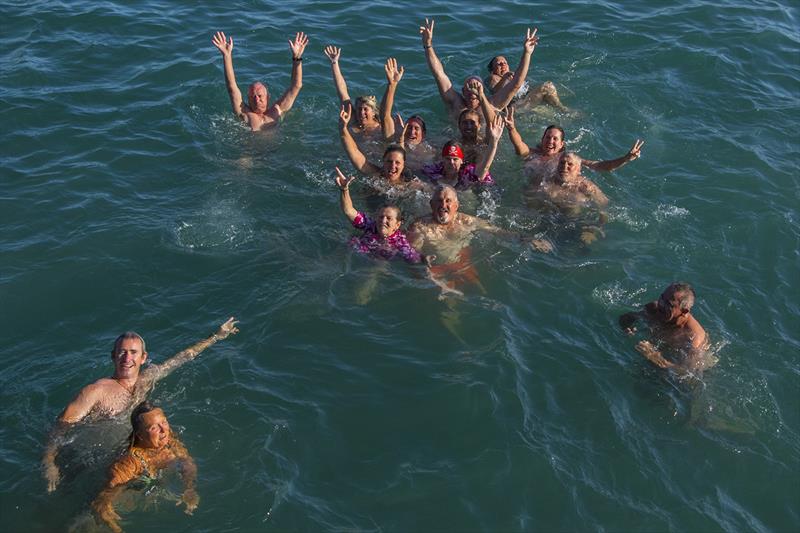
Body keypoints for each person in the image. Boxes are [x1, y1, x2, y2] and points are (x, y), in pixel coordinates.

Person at [43, 318, 239, 492]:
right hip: (91, 458)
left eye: (133, 353)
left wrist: (216, 337)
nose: (127, 358)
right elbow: (61, 425)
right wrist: (50, 463)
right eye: (122, 353)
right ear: (113, 356)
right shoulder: (95, 391)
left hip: (131, 449)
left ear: (143, 357)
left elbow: (182, 357)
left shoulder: (147, 379)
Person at [91, 402, 197, 533]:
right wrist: (111, 521)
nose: (163, 430)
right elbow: (100, 501)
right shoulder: (130, 462)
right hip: (124, 502)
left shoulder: (167, 440)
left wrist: (189, 488)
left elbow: (186, 461)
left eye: (164, 422)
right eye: (154, 428)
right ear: (140, 435)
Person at [419, 18, 539, 123]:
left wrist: (527, 53)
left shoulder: (492, 104)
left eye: (477, 86)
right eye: (470, 87)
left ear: (483, 90)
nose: (473, 90)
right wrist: (428, 45)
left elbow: (516, 83)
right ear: (463, 91)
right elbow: (439, 74)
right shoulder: (455, 103)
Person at [504, 107, 645, 182]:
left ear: (561, 144)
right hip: (532, 193)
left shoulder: (566, 160)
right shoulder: (533, 153)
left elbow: (599, 166)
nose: (550, 142)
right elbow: (519, 144)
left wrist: (626, 158)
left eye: (555, 139)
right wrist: (511, 128)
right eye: (547, 138)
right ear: (542, 139)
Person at [212, 31, 308, 131]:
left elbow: (296, 86)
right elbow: (231, 87)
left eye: (260, 96)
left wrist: (297, 58)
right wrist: (226, 56)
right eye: (253, 97)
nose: (257, 99)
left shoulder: (278, 110)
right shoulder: (245, 113)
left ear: (268, 97)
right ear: (248, 100)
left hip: (275, 146)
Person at [334, 167, 425, 264]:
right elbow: (349, 211)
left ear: (397, 225)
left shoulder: (400, 242)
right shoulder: (370, 225)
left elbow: (414, 259)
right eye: (381, 217)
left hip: (375, 263)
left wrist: (424, 260)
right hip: (354, 255)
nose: (383, 220)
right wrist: (344, 189)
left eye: (389, 218)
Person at [619, 283, 711, 373]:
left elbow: (689, 372)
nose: (661, 305)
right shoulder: (654, 309)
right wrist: (628, 328)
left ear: (684, 310)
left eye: (668, 304)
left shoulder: (694, 336)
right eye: (662, 298)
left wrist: (655, 357)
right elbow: (626, 317)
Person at [527, 152, 608, 245]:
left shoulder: (586, 187)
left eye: (570, 164)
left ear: (578, 169)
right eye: (562, 163)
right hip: (545, 224)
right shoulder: (546, 180)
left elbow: (604, 208)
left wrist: (592, 231)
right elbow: (530, 199)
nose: (564, 167)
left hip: (574, 228)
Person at [338, 104, 423, 190]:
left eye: (397, 163)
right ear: (383, 161)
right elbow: (355, 153)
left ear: (403, 165)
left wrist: (401, 140)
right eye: (389, 161)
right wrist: (343, 130)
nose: (392, 166)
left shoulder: (410, 183)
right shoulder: (377, 175)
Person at [421, 114, 505, 191]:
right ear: (442, 159)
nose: (451, 162)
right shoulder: (433, 170)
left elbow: (485, 167)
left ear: (462, 161)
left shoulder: (468, 173)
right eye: (448, 159)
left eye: (455, 159)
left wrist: (494, 141)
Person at [323, 45, 382, 138]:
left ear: (374, 112)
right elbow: (342, 91)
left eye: (365, 109)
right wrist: (334, 63)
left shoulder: (380, 128)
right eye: (359, 109)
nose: (361, 112)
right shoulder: (353, 119)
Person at [485, 55, 566, 111]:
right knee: (546, 87)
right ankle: (563, 109)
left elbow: (526, 88)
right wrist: (504, 78)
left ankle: (560, 108)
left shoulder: (512, 76)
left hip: (523, 103)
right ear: (493, 70)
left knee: (548, 90)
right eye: (499, 64)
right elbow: (494, 92)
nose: (503, 65)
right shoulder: (493, 78)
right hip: (514, 108)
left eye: (505, 62)